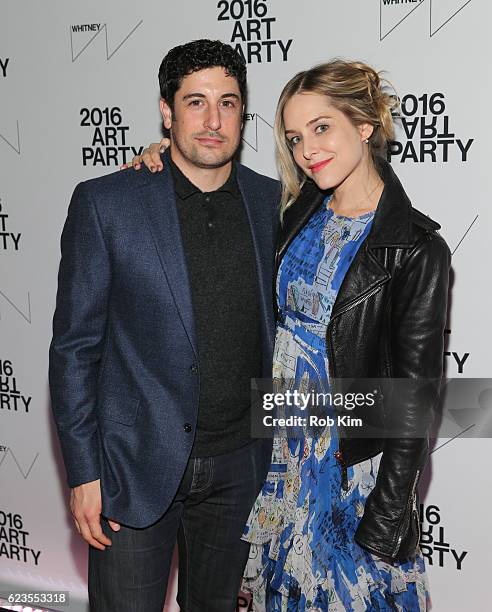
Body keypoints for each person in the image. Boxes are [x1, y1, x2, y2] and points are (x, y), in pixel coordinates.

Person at [135, 59, 450, 611]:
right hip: (283, 466)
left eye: (322, 128)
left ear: (366, 125)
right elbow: (207, 184)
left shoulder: (415, 247)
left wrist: (385, 517)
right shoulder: (294, 211)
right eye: (295, 137)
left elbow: (416, 400)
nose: (308, 151)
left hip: (353, 475)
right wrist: (161, 153)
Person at [49, 39, 279, 612]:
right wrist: (83, 472)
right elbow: (75, 349)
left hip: (240, 467)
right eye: (195, 102)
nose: (212, 120)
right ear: (166, 110)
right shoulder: (109, 203)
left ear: (244, 112)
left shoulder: (272, 203)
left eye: (228, 103)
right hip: (132, 467)